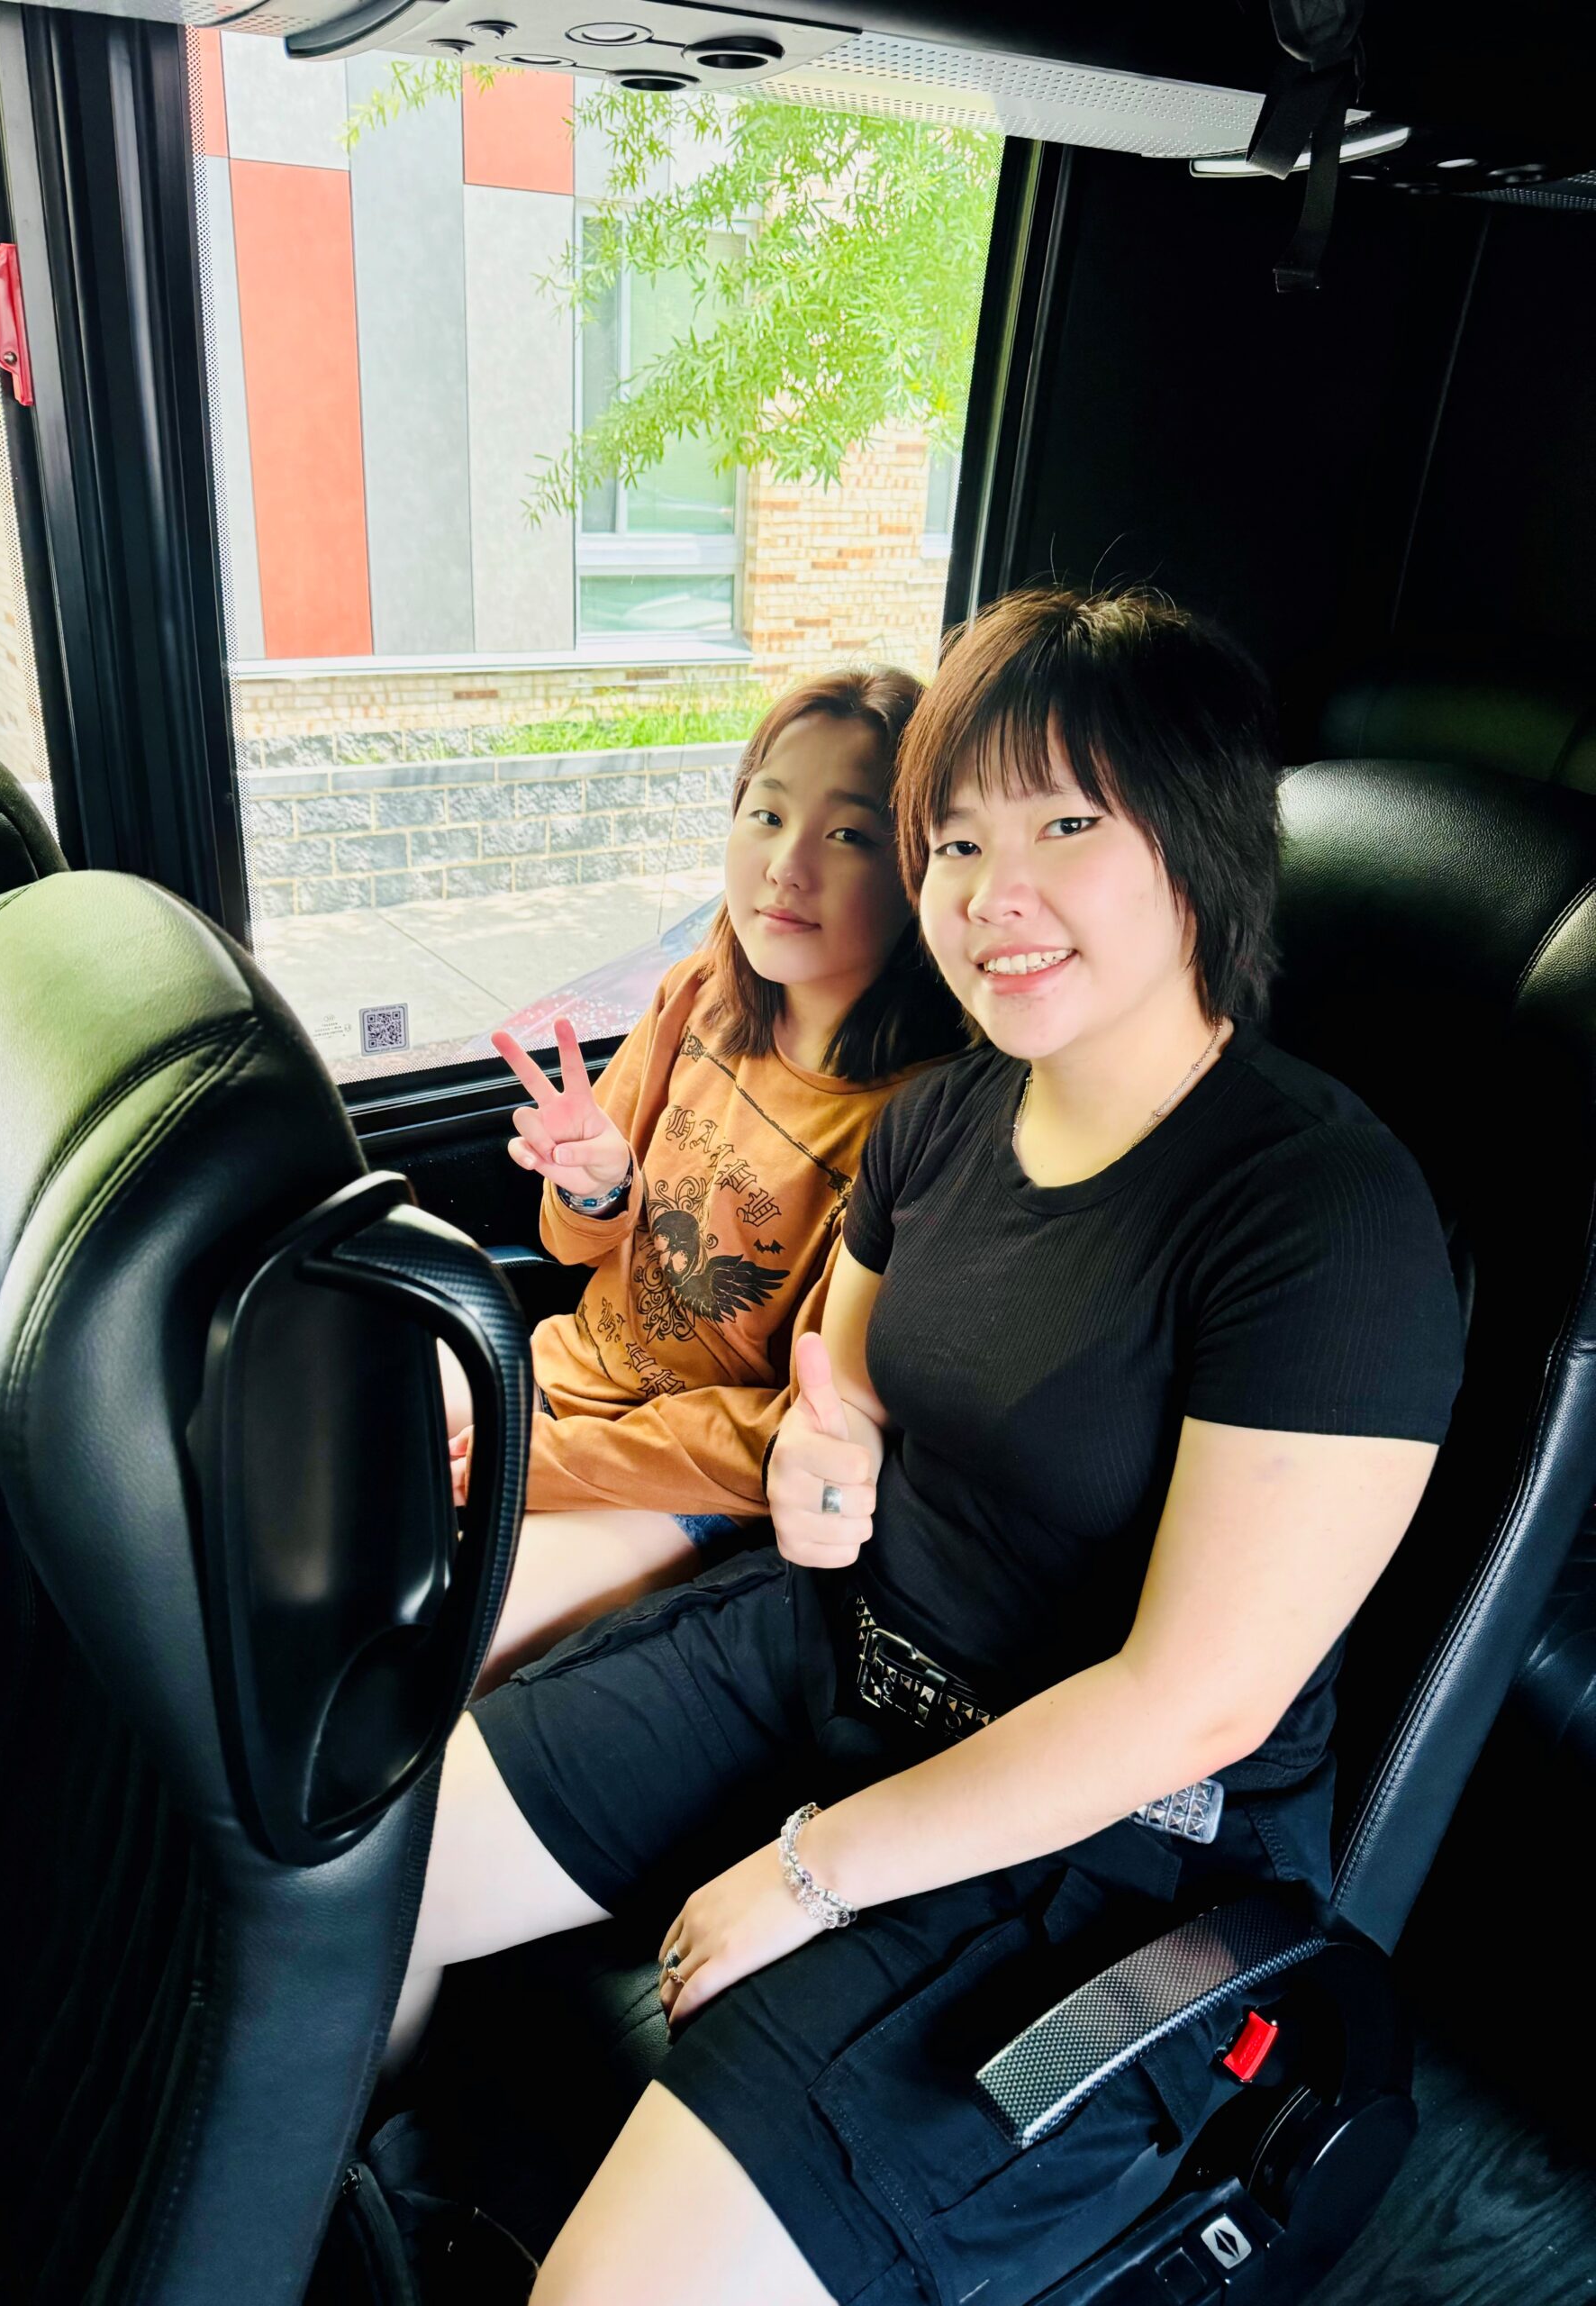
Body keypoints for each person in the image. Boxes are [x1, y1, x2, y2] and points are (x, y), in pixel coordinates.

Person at [394, 586, 1465, 2306]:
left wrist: (812, 1875)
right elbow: (853, 1410)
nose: (992, 893)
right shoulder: (946, 1120)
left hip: (1106, 1846)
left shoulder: (1322, 1221)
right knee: (344, 1871)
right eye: (954, 840)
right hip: (838, 1653)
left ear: (1196, 848)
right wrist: (825, 1481)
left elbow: (1190, 1705)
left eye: (1063, 823)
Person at [458, 671, 965, 1679]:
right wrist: (596, 1186)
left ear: (919, 872)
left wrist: (538, 1468)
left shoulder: (913, 1124)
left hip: (697, 1483)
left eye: (849, 834)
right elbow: (575, 1247)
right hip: (568, 1376)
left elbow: (798, 1427)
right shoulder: (703, 995)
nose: (785, 865)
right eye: (767, 813)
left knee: (439, 1647)